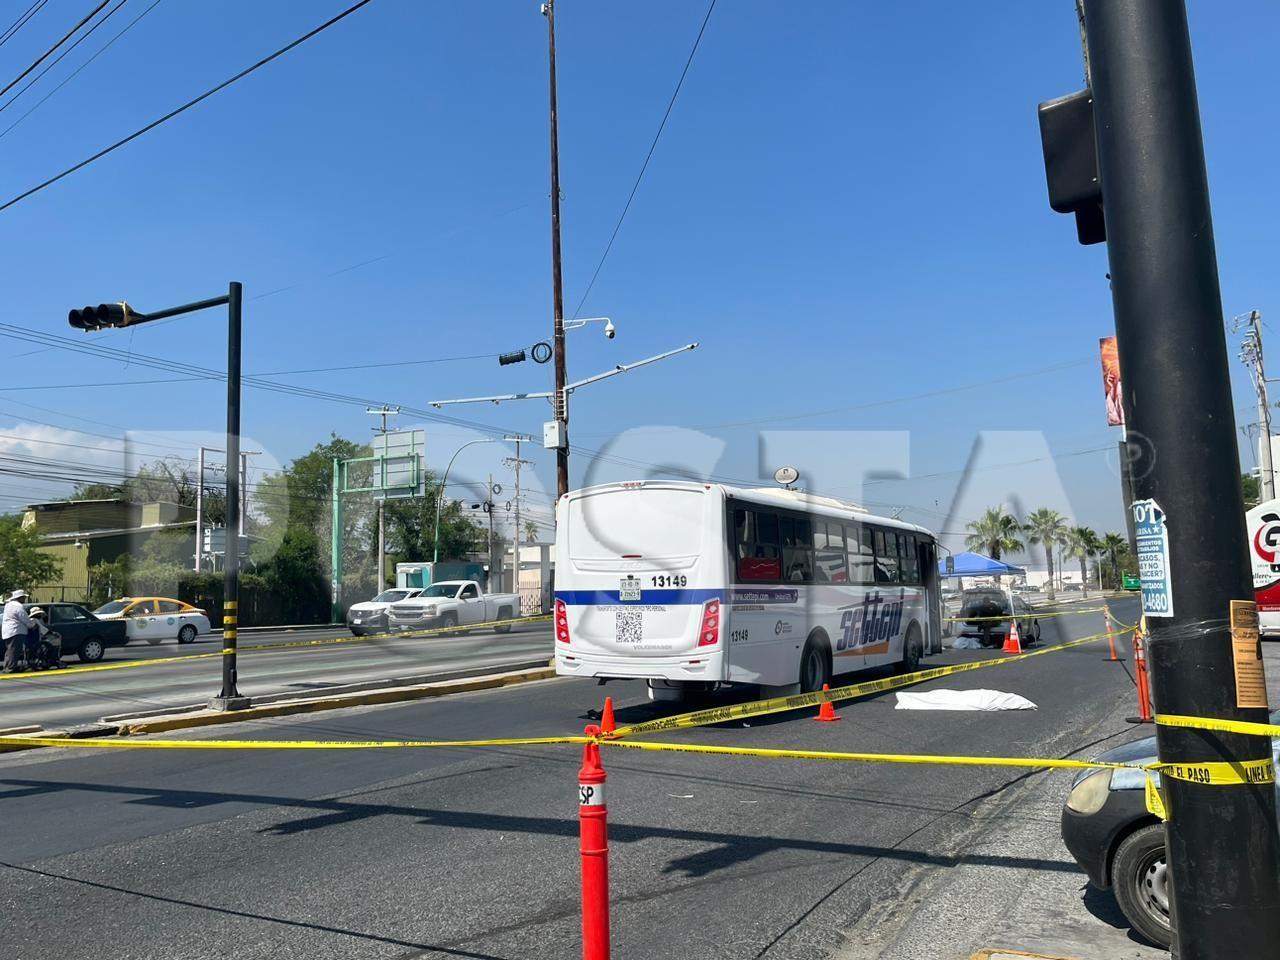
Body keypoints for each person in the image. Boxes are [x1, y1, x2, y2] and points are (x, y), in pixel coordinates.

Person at [2, 589, 34, 673]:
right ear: (19, 598)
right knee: (14, 650)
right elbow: (24, 618)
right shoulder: (18, 606)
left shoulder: (8, 605)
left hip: (7, 631)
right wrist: (32, 625)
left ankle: (7, 666)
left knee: (9, 650)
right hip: (16, 630)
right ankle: (11, 668)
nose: (24, 599)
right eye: (23, 597)